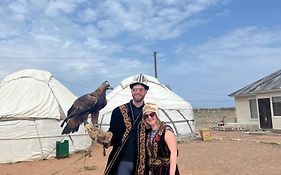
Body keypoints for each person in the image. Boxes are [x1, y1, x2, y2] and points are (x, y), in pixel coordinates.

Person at [102, 74, 149, 175]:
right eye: (135, 89)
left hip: (144, 162)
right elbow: (112, 133)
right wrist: (105, 138)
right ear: (131, 91)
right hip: (123, 160)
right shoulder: (118, 111)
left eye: (141, 90)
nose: (137, 92)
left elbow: (156, 132)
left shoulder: (150, 113)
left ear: (146, 91)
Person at [142, 102, 180, 175]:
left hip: (166, 170)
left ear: (156, 115)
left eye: (152, 114)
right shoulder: (148, 133)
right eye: (146, 116)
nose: (149, 117)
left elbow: (174, 153)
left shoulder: (166, 131)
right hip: (153, 171)